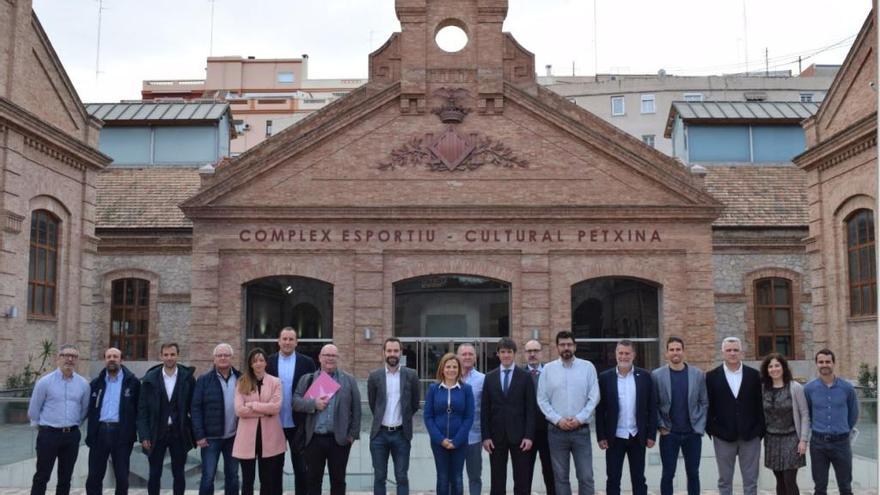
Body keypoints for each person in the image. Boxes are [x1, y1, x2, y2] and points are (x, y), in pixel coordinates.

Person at [536, 331, 600, 495]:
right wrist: (558, 420)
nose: (566, 348)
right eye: (562, 345)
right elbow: (542, 399)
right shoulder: (548, 370)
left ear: (575, 346)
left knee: (586, 476)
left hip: (581, 431)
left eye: (569, 344)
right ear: (557, 347)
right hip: (556, 432)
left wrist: (580, 418)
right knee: (560, 478)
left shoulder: (588, 367)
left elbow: (594, 397)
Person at [293, 344, 362, 495]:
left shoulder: (349, 380)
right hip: (314, 439)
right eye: (326, 355)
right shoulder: (308, 379)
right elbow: (296, 402)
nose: (330, 358)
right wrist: (313, 403)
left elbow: (356, 409)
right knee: (313, 480)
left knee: (338, 481)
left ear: (338, 358)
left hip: (340, 440)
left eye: (333, 355)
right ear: (319, 358)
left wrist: (352, 435)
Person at [595, 339, 657, 495]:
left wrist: (651, 435)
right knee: (613, 479)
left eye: (627, 353)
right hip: (614, 437)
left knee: (639, 479)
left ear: (633, 355)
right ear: (615, 354)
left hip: (637, 436)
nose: (624, 357)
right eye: (620, 353)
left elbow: (652, 407)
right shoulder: (604, 378)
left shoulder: (645, 376)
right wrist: (601, 435)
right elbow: (600, 409)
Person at [27, 344, 90, 495]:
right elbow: (34, 409)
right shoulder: (44, 382)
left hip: (71, 436)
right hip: (48, 435)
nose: (70, 359)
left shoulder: (83, 384)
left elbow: (84, 410)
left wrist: (73, 425)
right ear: (58, 358)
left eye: (74, 356)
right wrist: (43, 429)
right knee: (42, 476)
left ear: (77, 360)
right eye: (66, 355)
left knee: (65, 478)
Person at [705, 336, 764, 495]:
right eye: (729, 350)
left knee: (751, 481)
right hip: (723, 436)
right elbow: (708, 406)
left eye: (735, 350)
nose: (732, 353)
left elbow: (760, 404)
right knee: (724, 480)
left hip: (751, 436)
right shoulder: (711, 377)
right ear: (723, 352)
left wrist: (759, 431)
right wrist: (713, 431)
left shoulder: (754, 376)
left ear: (741, 352)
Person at [137, 342, 196, 495]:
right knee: (155, 474)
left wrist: (195, 433)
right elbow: (142, 410)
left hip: (179, 432)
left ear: (177, 355)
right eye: (166, 355)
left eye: (172, 354)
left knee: (179, 473)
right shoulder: (149, 380)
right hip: (156, 432)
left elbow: (194, 408)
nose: (169, 358)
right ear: (161, 356)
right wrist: (144, 435)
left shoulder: (188, 378)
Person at [652, 336, 708, 495]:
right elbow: (653, 405)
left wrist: (699, 426)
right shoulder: (657, 375)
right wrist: (661, 426)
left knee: (693, 474)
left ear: (683, 352)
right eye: (672, 350)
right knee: (668, 474)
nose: (675, 353)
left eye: (678, 349)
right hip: (669, 433)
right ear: (666, 353)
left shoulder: (697, 374)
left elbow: (704, 402)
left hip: (692, 433)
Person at [481, 337, 535, 495]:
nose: (506, 355)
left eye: (509, 352)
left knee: (522, 480)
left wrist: (529, 436)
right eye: (503, 352)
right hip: (496, 437)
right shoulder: (489, 377)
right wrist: (486, 436)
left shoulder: (525, 377)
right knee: (497, 480)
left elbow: (530, 408)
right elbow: (485, 409)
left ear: (514, 354)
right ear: (497, 354)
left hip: (520, 438)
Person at [265, 327, 316, 495]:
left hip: (299, 424)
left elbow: (313, 391)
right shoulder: (268, 362)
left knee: (302, 469)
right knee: (273, 470)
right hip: (274, 422)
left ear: (296, 342)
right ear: (278, 341)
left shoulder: (307, 362)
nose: (287, 342)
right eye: (284, 339)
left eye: (291, 339)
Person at [368, 337, 421, 495]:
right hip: (379, 435)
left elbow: (414, 404)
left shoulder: (411, 375)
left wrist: (404, 419)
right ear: (383, 353)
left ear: (401, 352)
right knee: (379, 477)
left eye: (396, 351)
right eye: (389, 351)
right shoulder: (375, 376)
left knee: (402, 477)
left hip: (401, 434)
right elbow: (373, 404)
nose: (392, 354)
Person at [85, 347, 140, 495]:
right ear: (105, 360)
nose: (112, 359)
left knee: (122, 477)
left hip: (122, 434)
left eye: (115, 356)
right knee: (94, 477)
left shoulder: (133, 383)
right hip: (99, 433)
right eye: (109, 356)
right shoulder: (96, 383)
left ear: (121, 360)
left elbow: (139, 410)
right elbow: (88, 409)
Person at [804, 348, 859, 495]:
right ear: (817, 364)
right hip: (818, 444)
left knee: (845, 486)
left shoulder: (847, 388)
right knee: (820, 487)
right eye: (821, 362)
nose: (824, 364)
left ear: (834, 363)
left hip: (841, 443)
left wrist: (843, 429)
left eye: (828, 361)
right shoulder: (809, 389)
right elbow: (807, 413)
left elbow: (853, 413)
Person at [232, 347, 285, 495]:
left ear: (266, 363)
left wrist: (253, 406)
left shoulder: (275, 382)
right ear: (250, 364)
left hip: (270, 437)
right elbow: (239, 410)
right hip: (247, 438)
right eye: (255, 361)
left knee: (267, 480)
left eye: (261, 360)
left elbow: (275, 408)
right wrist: (264, 412)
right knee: (248, 480)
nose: (258, 363)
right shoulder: (242, 382)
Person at [192, 343, 242, 495]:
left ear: (231, 358)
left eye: (226, 355)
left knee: (233, 476)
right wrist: (199, 435)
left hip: (234, 437)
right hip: (210, 438)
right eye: (219, 355)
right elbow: (195, 408)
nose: (223, 358)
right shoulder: (204, 380)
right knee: (208, 476)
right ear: (214, 359)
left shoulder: (241, 379)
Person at [424, 353, 475, 495]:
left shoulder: (466, 389)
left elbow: (469, 417)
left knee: (457, 477)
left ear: (459, 370)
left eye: (454, 367)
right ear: (442, 369)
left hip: (460, 442)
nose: (451, 370)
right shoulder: (433, 389)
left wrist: (456, 440)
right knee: (442, 477)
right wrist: (441, 440)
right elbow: (428, 417)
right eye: (448, 366)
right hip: (438, 442)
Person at [759, 352, 810, 495]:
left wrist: (803, 440)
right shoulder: (763, 389)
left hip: (792, 438)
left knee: (789, 479)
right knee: (779, 479)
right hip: (772, 439)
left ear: (783, 367)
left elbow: (805, 414)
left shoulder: (795, 387)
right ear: (766, 370)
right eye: (770, 366)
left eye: (777, 365)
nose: (774, 369)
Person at [523, 339, 555, 495]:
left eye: (535, 351)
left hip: (549, 431)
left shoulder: (552, 374)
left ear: (542, 352)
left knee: (550, 473)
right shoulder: (520, 375)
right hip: (526, 434)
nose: (532, 354)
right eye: (529, 351)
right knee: (525, 475)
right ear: (525, 354)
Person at [456, 343, 485, 495]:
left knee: (474, 476)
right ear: (458, 357)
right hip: (453, 437)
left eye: (470, 354)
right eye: (464, 354)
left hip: (474, 437)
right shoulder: (449, 377)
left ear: (475, 357)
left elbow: (487, 409)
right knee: (455, 476)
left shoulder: (483, 379)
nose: (467, 357)